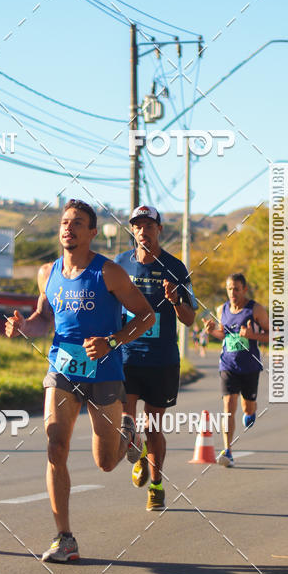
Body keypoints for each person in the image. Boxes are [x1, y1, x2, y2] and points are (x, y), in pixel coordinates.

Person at [5, 199, 154, 561]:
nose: (68, 228)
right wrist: (25, 325)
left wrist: (112, 341)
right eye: (64, 222)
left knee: (105, 462)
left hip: (104, 372)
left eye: (77, 223)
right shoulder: (47, 273)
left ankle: (130, 437)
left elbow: (146, 316)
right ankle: (64, 538)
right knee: (56, 445)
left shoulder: (108, 273)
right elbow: (44, 318)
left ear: (92, 232)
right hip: (62, 368)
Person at [115, 205, 197, 511]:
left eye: (149, 225)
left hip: (161, 359)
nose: (143, 230)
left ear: (159, 230)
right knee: (126, 420)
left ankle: (157, 484)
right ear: (132, 230)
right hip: (126, 355)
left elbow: (189, 319)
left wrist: (175, 300)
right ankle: (134, 446)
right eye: (137, 226)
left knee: (154, 427)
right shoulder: (120, 264)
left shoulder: (175, 268)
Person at [203, 273, 269, 468]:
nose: (233, 293)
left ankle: (251, 412)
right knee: (228, 408)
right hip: (228, 365)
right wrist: (211, 331)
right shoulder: (222, 309)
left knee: (248, 407)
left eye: (237, 289)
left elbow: (272, 334)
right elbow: (223, 334)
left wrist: (252, 335)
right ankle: (228, 450)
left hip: (249, 367)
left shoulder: (255, 309)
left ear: (244, 290)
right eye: (230, 289)